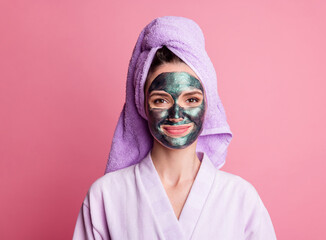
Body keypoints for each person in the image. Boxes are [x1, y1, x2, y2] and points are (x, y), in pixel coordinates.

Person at [73, 16, 277, 240]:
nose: (177, 115)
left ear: (208, 105)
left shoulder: (240, 199)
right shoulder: (105, 197)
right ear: (142, 105)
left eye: (191, 100)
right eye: (161, 100)